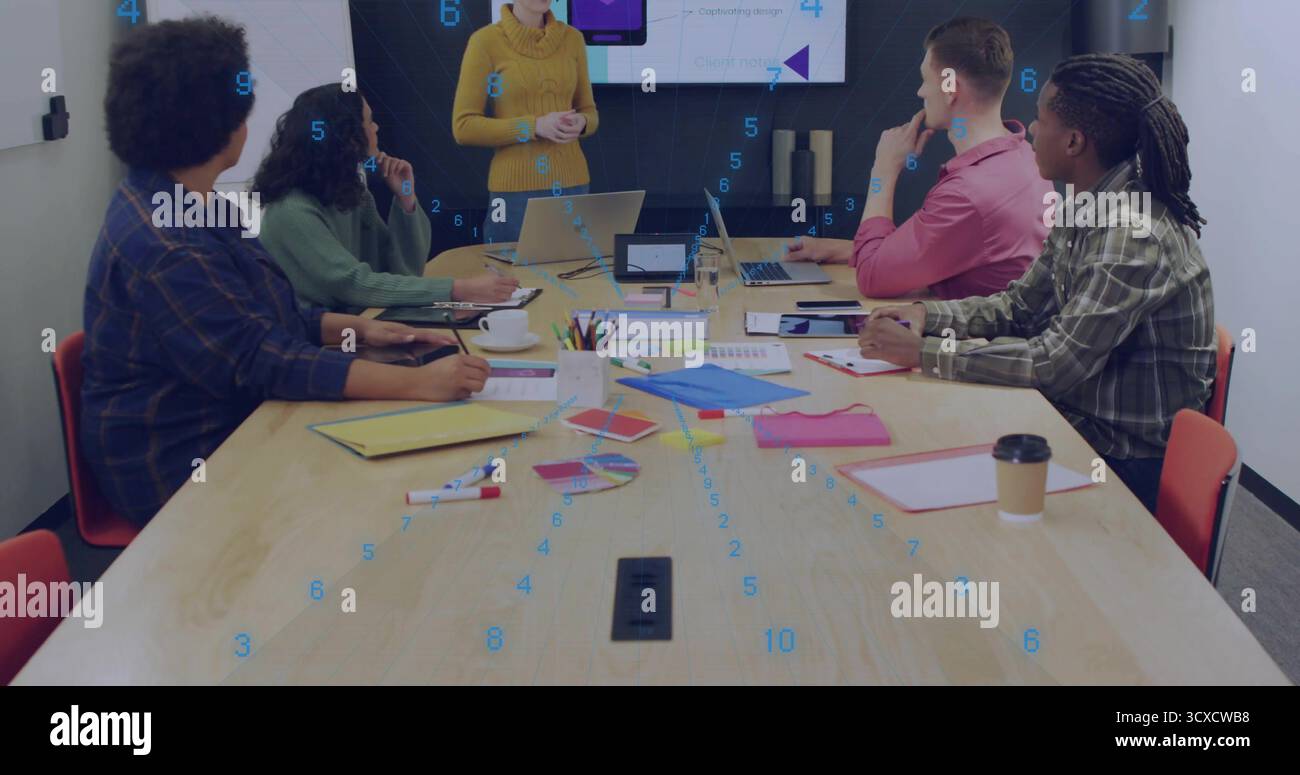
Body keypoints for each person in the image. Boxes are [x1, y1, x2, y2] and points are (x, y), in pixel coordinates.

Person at [83, 17, 491, 525]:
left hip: (240, 419)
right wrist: (419, 383)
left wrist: (356, 328)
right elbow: (261, 359)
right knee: (390, 489)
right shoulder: (169, 245)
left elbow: (263, 313)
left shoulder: (190, 203)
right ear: (219, 121)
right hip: (188, 465)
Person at [860, 53, 1215, 514]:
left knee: (937, 460)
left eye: (1040, 119)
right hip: (1079, 421)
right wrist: (926, 317)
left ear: (1073, 141)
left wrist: (925, 352)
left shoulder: (1132, 236)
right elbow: (1019, 308)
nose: (1029, 130)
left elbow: (1054, 364)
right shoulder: (1088, 205)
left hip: (1121, 459)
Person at [784, 17, 1053, 300]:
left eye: (926, 79)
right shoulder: (1026, 159)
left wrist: (884, 171)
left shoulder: (969, 194)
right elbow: (953, 249)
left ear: (950, 88)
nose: (920, 92)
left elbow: (871, 278)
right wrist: (844, 250)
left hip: (968, 340)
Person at [256, 85, 517, 311]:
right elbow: (353, 284)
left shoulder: (350, 192)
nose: (376, 127)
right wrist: (458, 289)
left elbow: (401, 272)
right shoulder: (291, 210)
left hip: (360, 324)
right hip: (316, 344)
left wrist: (405, 198)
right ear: (346, 134)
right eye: (369, 121)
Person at [452, 1, 599, 245]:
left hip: (573, 185)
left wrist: (582, 122)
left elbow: (589, 112)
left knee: (577, 279)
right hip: (513, 195)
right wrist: (533, 127)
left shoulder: (573, 39)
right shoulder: (485, 42)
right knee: (511, 279)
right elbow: (464, 126)